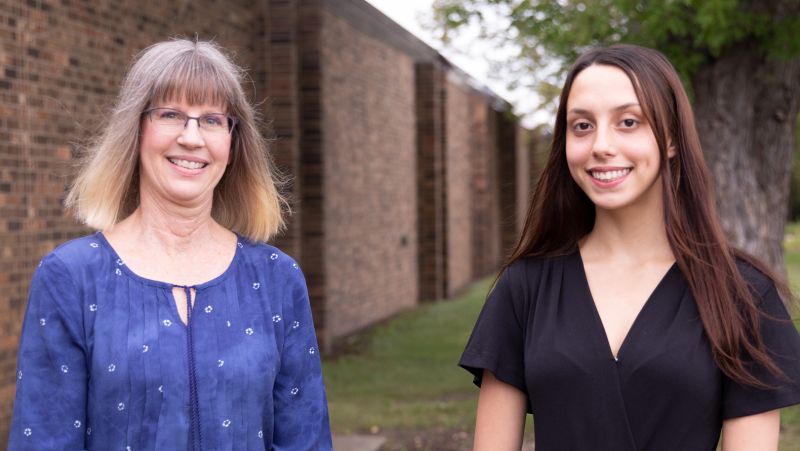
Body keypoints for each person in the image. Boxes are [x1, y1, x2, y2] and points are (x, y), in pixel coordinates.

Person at [459, 44, 800, 450]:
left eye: (628, 122)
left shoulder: (744, 293)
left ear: (671, 139)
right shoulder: (525, 288)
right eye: (582, 126)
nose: (601, 144)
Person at [9, 39, 332, 450]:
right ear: (137, 130)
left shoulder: (276, 278)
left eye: (212, 120)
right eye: (170, 114)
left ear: (232, 145)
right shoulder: (70, 278)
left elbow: (306, 439)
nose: (191, 137)